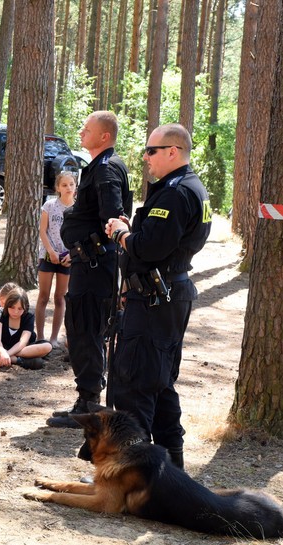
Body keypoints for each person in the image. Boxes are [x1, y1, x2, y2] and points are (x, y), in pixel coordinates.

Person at [104, 123, 211, 469]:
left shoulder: (176, 192)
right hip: (165, 295)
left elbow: (150, 248)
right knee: (160, 384)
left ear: (172, 152)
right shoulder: (186, 188)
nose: (145, 157)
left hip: (155, 299)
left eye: (151, 151)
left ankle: (134, 474)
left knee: (136, 384)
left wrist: (123, 235)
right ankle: (172, 473)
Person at [47, 111, 131, 428]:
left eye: (88, 129)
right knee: (81, 329)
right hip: (88, 262)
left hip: (96, 266)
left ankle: (91, 406)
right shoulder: (98, 166)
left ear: (104, 136)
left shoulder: (107, 169)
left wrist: (94, 245)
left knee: (86, 331)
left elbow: (114, 219)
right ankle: (85, 400)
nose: (82, 131)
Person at [36, 171, 76, 343]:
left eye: (71, 184)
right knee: (43, 295)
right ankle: (40, 336)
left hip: (67, 258)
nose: (68, 188)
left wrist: (72, 255)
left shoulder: (78, 208)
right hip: (47, 255)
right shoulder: (50, 205)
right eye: (64, 185)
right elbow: (42, 230)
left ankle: (53, 338)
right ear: (58, 187)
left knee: (60, 297)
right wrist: (51, 251)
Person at [0, 287, 52, 369]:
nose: (15, 312)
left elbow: (22, 342)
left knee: (47, 347)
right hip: (0, 346)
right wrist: (2, 352)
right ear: (7, 305)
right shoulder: (0, 313)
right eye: (12, 307)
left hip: (21, 349)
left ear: (25, 307)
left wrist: (6, 354)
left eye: (20, 308)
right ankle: (18, 360)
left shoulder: (29, 317)